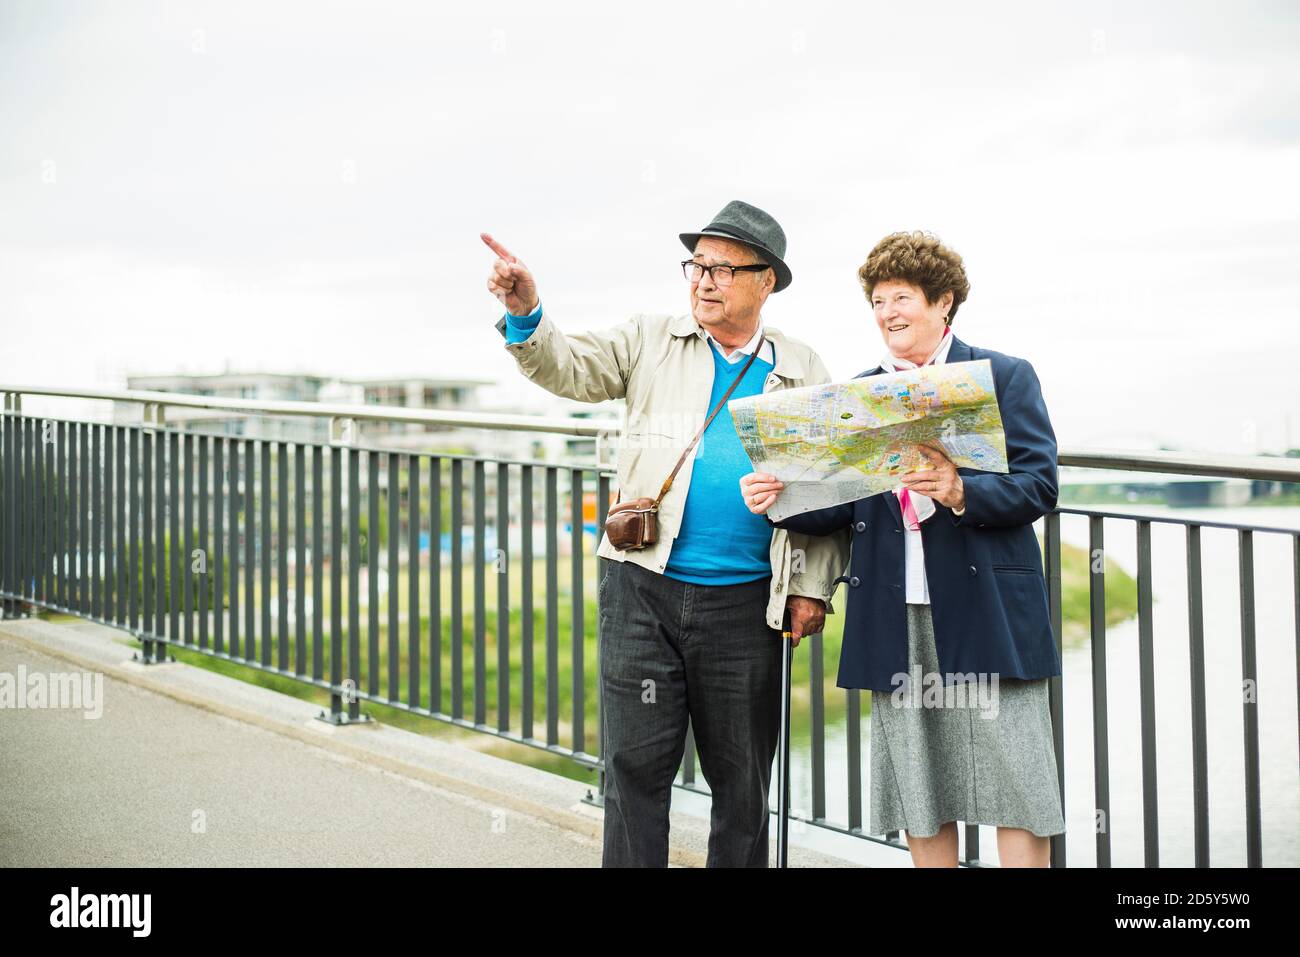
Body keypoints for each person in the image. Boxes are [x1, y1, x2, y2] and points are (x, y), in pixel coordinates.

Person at [483, 200, 851, 867]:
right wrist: (527, 314)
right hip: (642, 590)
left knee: (742, 784)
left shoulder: (802, 367)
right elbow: (566, 366)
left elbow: (825, 488)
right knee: (634, 771)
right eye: (696, 265)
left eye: (722, 268)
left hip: (746, 604)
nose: (703, 280)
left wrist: (813, 590)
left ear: (765, 280)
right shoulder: (650, 339)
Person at [740, 230, 1066, 867]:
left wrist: (958, 488)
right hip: (896, 611)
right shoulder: (860, 392)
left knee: (1019, 785)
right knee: (921, 787)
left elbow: (1039, 485)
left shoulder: (1003, 375)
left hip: (990, 610)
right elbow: (843, 502)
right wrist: (780, 496)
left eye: (902, 297)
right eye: (877, 301)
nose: (887, 313)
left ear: (943, 302)